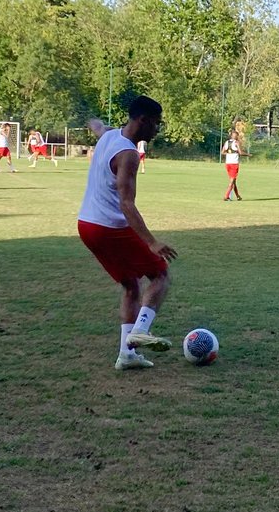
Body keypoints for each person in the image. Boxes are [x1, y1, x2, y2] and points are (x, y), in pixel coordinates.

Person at [77, 96, 178, 371]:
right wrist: (152, 242)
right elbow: (126, 204)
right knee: (160, 275)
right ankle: (141, 331)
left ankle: (127, 355)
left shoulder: (109, 136)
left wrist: (94, 122)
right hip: (108, 227)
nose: (157, 131)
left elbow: (100, 128)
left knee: (131, 285)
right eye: (156, 124)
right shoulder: (129, 154)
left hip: (86, 225)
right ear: (142, 120)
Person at [221, 130, 249, 201]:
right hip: (234, 164)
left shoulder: (226, 142)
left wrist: (229, 154)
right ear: (235, 136)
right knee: (231, 181)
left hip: (228, 163)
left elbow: (222, 152)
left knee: (233, 181)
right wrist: (248, 155)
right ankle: (226, 196)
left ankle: (238, 196)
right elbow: (240, 153)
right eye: (237, 135)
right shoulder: (236, 142)